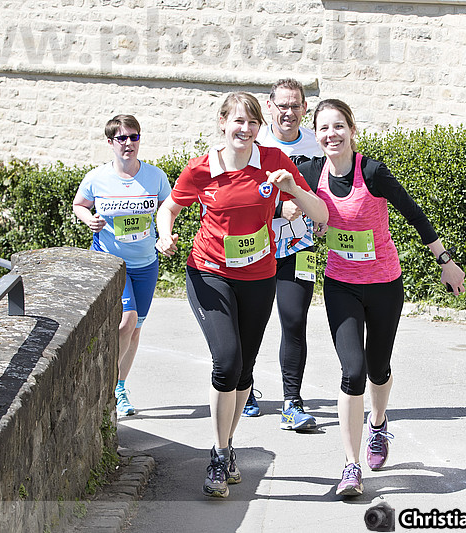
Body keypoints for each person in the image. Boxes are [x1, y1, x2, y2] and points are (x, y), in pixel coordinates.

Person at [155, 92, 328, 498]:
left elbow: (320, 214)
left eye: (252, 122)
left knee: (244, 371)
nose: (245, 129)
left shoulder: (273, 161)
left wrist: (293, 188)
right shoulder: (201, 168)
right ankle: (218, 454)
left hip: (258, 276)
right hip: (209, 273)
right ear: (222, 123)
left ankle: (228, 444)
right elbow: (169, 208)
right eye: (238, 121)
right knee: (227, 362)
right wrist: (164, 235)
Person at [296, 99, 466, 497]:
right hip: (340, 284)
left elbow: (413, 213)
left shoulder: (371, 172)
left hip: (384, 283)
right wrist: (293, 211)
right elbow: (274, 192)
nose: (332, 134)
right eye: (324, 128)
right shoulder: (310, 172)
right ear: (315, 135)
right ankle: (350, 466)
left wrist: (446, 261)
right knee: (352, 372)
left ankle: (377, 422)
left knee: (378, 368)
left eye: (339, 126)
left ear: (352, 130)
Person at [72, 114, 172, 418]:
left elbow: (167, 209)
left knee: (136, 328)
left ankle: (119, 387)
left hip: (146, 263)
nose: (129, 143)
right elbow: (79, 205)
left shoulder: (155, 177)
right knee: (126, 321)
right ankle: (104, 383)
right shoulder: (97, 178)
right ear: (110, 142)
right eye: (122, 138)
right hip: (112, 263)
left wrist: (165, 235)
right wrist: (90, 220)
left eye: (134, 137)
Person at [243, 78, 324, 430]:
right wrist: (278, 210)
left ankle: (292, 402)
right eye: (282, 106)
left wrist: (324, 216)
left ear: (305, 108)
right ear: (270, 107)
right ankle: (243, 389)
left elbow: (328, 185)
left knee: (294, 321)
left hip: (299, 246)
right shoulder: (254, 142)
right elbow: (239, 196)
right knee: (250, 323)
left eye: (295, 106)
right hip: (255, 248)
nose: (289, 112)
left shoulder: (316, 143)